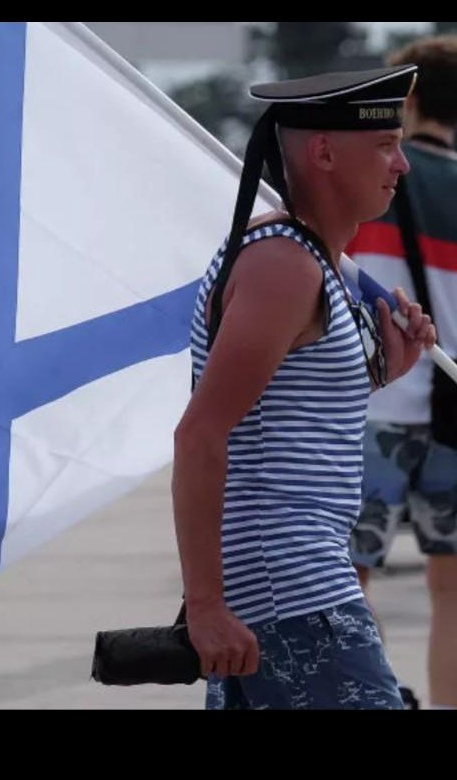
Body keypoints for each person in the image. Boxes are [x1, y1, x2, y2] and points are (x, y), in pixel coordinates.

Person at [172, 64, 437, 710]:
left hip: (289, 590)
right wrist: (204, 605)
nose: (400, 165)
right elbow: (200, 434)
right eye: (384, 145)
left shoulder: (308, 260)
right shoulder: (284, 266)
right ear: (323, 152)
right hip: (294, 594)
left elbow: (285, 415)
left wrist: (384, 371)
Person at [348, 36, 457, 710]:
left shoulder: (376, 182)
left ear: (409, 100)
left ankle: (372, 700)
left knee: (345, 579)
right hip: (454, 415)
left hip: (377, 408)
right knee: (450, 591)